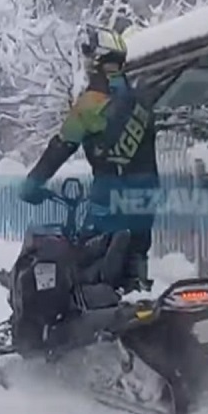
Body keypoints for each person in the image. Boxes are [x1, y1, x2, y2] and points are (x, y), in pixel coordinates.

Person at [18, 25, 159, 292]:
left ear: (95, 62)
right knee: (135, 257)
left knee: (84, 262)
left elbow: (60, 147)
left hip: (109, 196)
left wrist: (33, 183)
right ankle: (137, 290)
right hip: (147, 194)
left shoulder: (89, 104)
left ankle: (86, 325)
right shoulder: (142, 101)